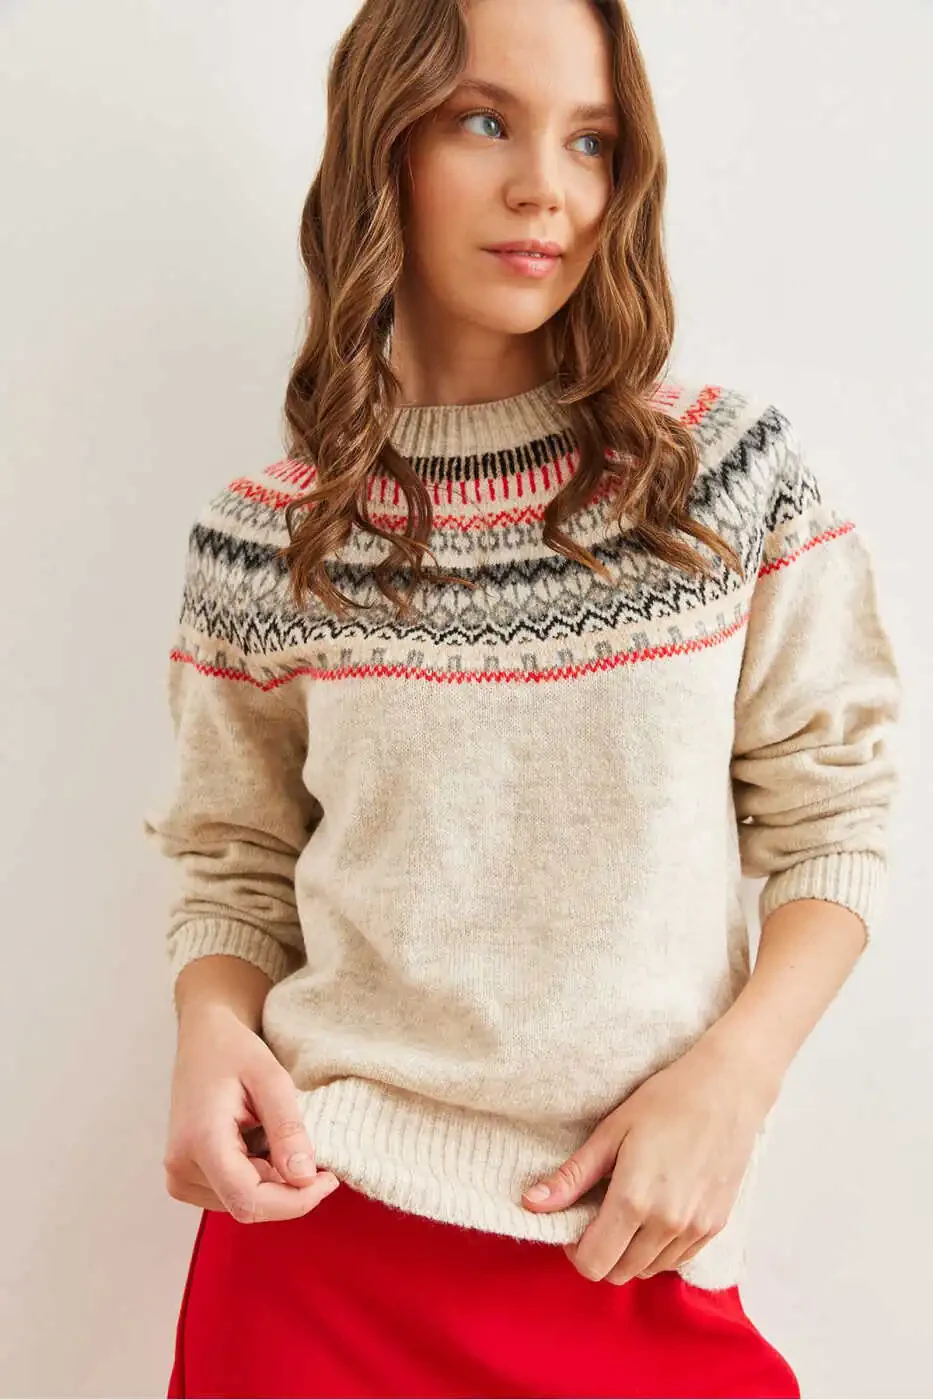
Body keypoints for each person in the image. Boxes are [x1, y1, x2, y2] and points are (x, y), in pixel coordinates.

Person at [142, 0, 902, 1396]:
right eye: (484, 121)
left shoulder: (723, 479)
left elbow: (837, 816)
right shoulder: (268, 539)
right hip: (318, 1257)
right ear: (385, 145)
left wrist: (736, 1079)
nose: (546, 187)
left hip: (629, 1250)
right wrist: (207, 1030)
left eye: (592, 141)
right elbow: (233, 860)